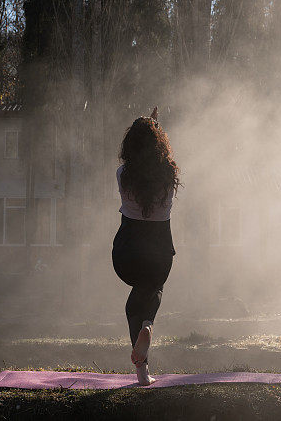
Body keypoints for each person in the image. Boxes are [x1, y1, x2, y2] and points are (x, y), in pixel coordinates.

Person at [111, 107, 180, 385]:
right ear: (159, 144)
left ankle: (142, 372)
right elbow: (158, 164)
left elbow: (137, 165)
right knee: (153, 289)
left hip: (127, 251)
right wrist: (155, 125)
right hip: (158, 250)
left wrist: (147, 125)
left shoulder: (122, 174)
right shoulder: (169, 175)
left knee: (133, 304)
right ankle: (148, 326)